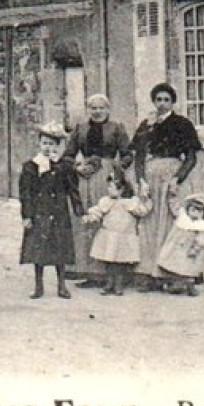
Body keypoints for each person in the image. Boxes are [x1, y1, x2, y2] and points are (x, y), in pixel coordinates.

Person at [129, 83, 202, 288]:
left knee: (173, 223)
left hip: (172, 175)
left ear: (172, 102)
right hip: (151, 176)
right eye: (158, 99)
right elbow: (139, 157)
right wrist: (141, 180)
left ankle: (174, 274)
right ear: (153, 101)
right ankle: (150, 272)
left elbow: (191, 157)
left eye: (166, 100)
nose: (162, 104)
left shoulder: (182, 124)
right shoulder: (146, 125)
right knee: (149, 223)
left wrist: (178, 179)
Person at [60, 94, 134, 287]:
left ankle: (107, 272)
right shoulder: (80, 128)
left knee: (106, 220)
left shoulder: (117, 128)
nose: (97, 111)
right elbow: (67, 155)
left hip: (107, 179)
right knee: (86, 218)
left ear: (108, 109)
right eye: (93, 108)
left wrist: (115, 167)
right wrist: (77, 167)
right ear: (88, 110)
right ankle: (88, 271)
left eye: (101, 107)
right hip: (85, 178)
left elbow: (127, 155)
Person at [19, 122, 84, 300]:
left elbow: (72, 188)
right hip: (39, 212)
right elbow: (25, 193)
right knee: (39, 251)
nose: (48, 148)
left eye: (52, 144)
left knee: (60, 250)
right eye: (45, 143)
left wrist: (78, 207)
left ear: (58, 146)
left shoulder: (63, 166)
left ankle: (61, 285)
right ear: (39, 144)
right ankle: (38, 286)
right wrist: (27, 216)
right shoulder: (31, 166)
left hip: (58, 213)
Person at [81, 173, 152, 296]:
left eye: (111, 187)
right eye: (108, 187)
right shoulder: (105, 201)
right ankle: (109, 283)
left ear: (121, 190)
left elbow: (142, 211)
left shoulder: (130, 203)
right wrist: (90, 217)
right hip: (109, 236)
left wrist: (145, 200)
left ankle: (118, 285)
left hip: (124, 237)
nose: (108, 189)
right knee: (109, 262)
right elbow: (98, 212)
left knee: (120, 264)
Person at [156, 193, 204, 296]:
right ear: (188, 210)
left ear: (203, 214)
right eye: (193, 210)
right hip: (176, 248)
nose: (195, 213)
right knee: (175, 265)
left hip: (189, 250)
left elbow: (202, 240)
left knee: (189, 268)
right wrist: (172, 197)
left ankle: (190, 285)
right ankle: (176, 284)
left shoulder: (200, 226)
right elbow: (175, 208)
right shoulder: (182, 219)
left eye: (199, 211)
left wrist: (195, 249)